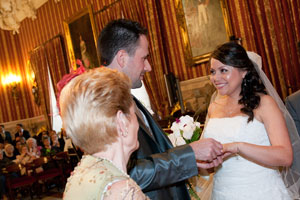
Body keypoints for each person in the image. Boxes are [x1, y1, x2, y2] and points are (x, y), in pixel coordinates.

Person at [97, 19, 223, 199]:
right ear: (122, 57)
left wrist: (193, 161)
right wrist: (189, 155)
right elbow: (127, 173)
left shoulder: (127, 97)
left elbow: (154, 152)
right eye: (144, 58)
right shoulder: (103, 104)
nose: (148, 67)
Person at [202, 42, 300, 199]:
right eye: (213, 71)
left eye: (223, 70)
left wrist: (238, 147)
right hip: (222, 192)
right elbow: (208, 163)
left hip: (261, 192)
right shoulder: (213, 108)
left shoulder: (264, 103)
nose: (216, 78)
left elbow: (285, 156)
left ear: (244, 72)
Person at [59, 67, 148, 199]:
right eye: (134, 113)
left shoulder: (81, 172)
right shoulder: (125, 191)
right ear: (122, 121)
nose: (138, 124)